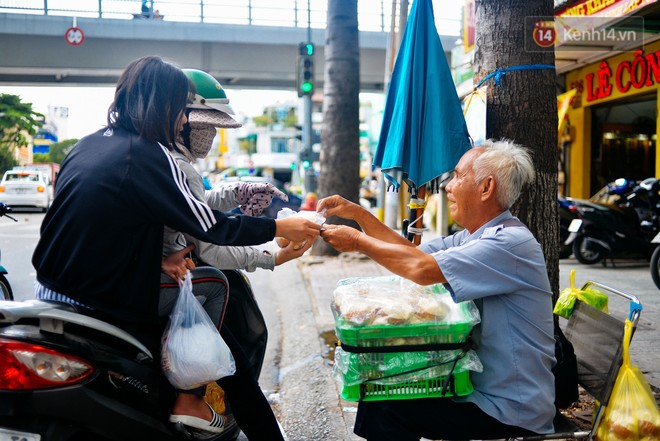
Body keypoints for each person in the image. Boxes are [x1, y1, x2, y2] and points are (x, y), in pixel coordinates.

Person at [31, 55, 320, 436]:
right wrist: (280, 226)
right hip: (103, 294)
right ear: (161, 106)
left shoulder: (89, 145)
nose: (183, 120)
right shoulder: (151, 155)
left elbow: (104, 219)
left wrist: (158, 259)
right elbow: (210, 229)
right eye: (179, 110)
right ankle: (190, 395)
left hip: (50, 286)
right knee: (216, 287)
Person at [317, 139, 556, 441]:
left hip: (509, 409)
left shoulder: (508, 244)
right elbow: (410, 254)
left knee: (387, 408)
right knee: (380, 391)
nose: (448, 187)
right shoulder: (474, 237)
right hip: (475, 389)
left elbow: (421, 271)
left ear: (486, 187)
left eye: (458, 176)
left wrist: (357, 242)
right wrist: (358, 215)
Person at [159, 69, 311, 439]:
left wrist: (235, 193)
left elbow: (194, 208)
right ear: (180, 121)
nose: (210, 136)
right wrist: (272, 256)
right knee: (239, 373)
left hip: (150, 271)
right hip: (169, 278)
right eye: (203, 126)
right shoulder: (177, 164)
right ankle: (191, 392)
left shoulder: (168, 159)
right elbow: (212, 245)